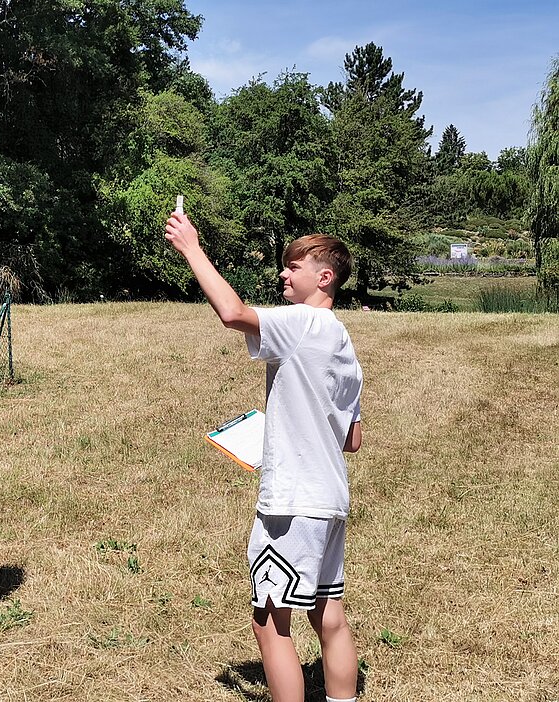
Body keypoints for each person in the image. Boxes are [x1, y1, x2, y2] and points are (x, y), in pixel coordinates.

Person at [165, 213, 363, 702]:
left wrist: (191, 247)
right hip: (329, 498)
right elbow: (351, 439)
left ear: (324, 277)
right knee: (328, 616)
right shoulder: (343, 342)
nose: (282, 275)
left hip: (291, 503)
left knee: (271, 625)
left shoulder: (303, 321)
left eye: (292, 267)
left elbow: (232, 313)